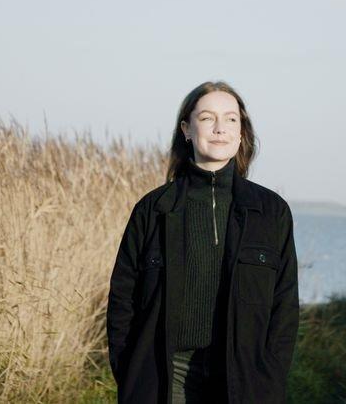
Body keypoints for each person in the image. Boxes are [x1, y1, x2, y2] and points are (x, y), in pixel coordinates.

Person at [106, 81, 299, 403]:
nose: (220, 128)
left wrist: (271, 376)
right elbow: (122, 301)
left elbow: (285, 306)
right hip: (168, 375)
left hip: (242, 377)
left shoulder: (270, 211)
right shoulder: (153, 209)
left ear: (241, 132)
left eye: (231, 119)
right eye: (207, 118)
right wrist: (130, 374)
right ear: (186, 129)